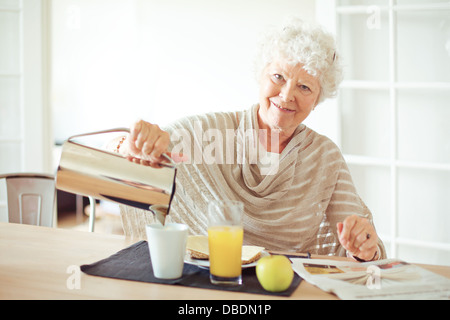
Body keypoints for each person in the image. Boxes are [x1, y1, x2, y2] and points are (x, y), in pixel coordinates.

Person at [111, 17, 386, 261]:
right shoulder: (210, 132)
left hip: (283, 289)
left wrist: (365, 248)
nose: (287, 95)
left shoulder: (325, 157)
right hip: (204, 283)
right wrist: (134, 145)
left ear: (317, 99)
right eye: (278, 76)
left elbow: (363, 243)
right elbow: (125, 156)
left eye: (304, 86)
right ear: (261, 75)